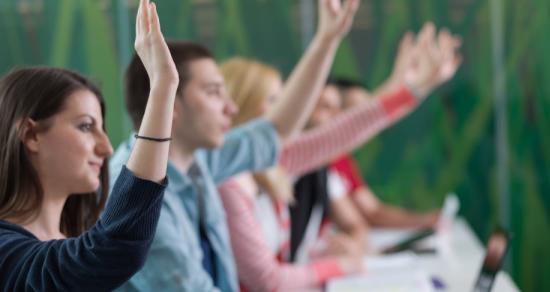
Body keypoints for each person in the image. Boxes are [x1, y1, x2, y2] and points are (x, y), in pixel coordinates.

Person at [109, 0, 362, 290]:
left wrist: (326, 41)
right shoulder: (136, 198)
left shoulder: (198, 160)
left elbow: (277, 130)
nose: (230, 108)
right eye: (214, 92)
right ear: (169, 102)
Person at [217, 22, 462, 291]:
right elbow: (268, 280)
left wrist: (411, 89)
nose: (287, 110)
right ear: (239, 107)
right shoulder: (230, 180)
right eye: (275, 100)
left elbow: (346, 130)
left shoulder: (270, 165)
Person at [0, 0, 178, 290]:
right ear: (31, 136)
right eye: (85, 126)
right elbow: (111, 251)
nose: (106, 148)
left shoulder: (70, 239)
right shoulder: (7, 252)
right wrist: (162, 86)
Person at [290, 23, 462, 262]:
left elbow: (359, 224)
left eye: (340, 111)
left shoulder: (322, 169)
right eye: (326, 108)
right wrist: (410, 88)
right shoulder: (285, 158)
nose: (338, 119)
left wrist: (410, 86)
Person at [328, 77, 440, 229]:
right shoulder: (320, 161)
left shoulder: (342, 159)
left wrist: (424, 220)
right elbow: (366, 219)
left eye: (365, 114)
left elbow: (372, 211)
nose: (362, 123)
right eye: (354, 113)